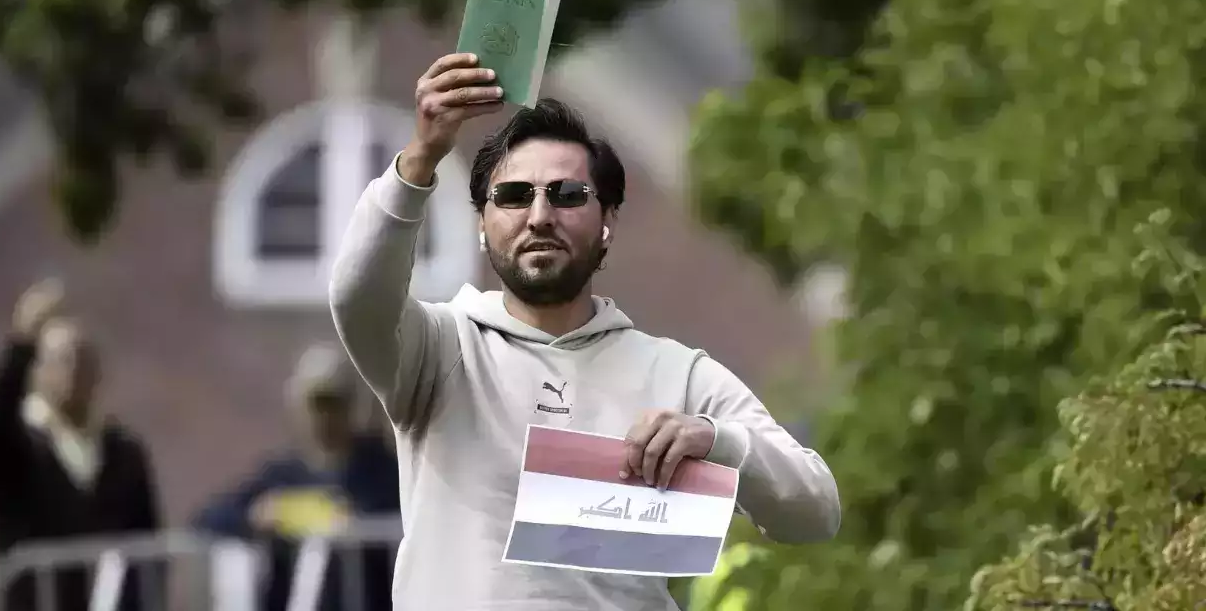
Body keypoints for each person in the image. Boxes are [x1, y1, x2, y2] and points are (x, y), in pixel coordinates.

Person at [329, 53, 842, 610]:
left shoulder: (677, 374)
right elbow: (356, 295)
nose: (539, 215)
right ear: (481, 223)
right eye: (514, 195)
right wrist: (420, 158)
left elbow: (815, 510)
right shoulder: (437, 349)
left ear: (607, 223)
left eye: (568, 194)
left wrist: (717, 441)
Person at [0, 280, 164, 611]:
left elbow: (148, 546)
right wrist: (21, 342)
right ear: (36, 370)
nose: (73, 372)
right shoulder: (22, 447)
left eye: (82, 359)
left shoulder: (123, 453)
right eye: (61, 360)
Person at [194, 344, 399, 611]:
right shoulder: (282, 475)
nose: (325, 416)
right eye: (316, 404)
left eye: (333, 403)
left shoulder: (381, 469)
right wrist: (258, 515)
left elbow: (404, 516)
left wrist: (354, 520)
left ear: (350, 406)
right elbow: (208, 519)